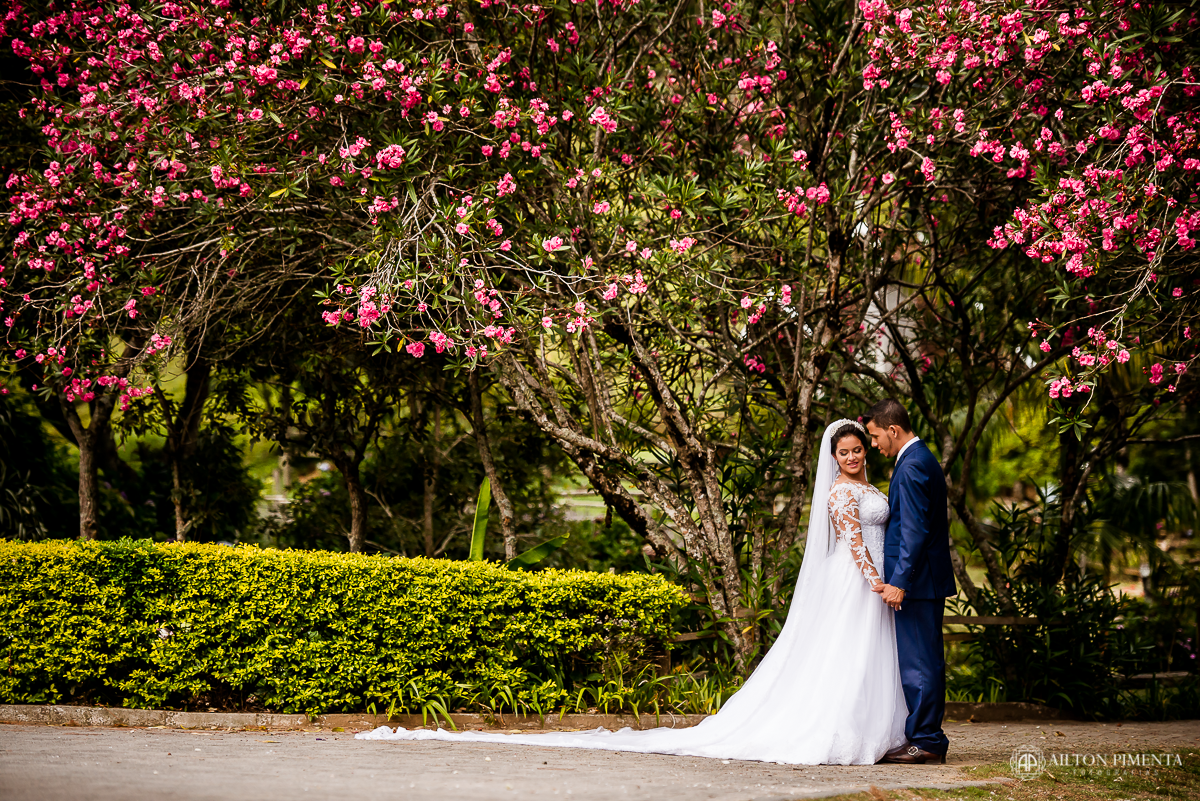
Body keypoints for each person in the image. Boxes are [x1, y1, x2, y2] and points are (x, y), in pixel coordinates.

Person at [357, 419, 908, 765]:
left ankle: (873, 729)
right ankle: (841, 731)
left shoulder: (864, 485)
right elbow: (854, 543)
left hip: (871, 581)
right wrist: (877, 582)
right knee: (846, 655)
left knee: (862, 657)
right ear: (832, 457)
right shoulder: (841, 494)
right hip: (859, 581)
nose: (853, 457)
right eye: (845, 452)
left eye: (858, 449)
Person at [864, 399, 957, 765]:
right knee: (924, 660)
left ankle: (927, 740)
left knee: (920, 663)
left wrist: (900, 581)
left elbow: (914, 531)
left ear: (893, 429)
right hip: (924, 579)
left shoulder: (913, 464)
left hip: (918, 582)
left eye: (875, 436)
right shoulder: (918, 459)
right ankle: (925, 735)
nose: (874, 444)